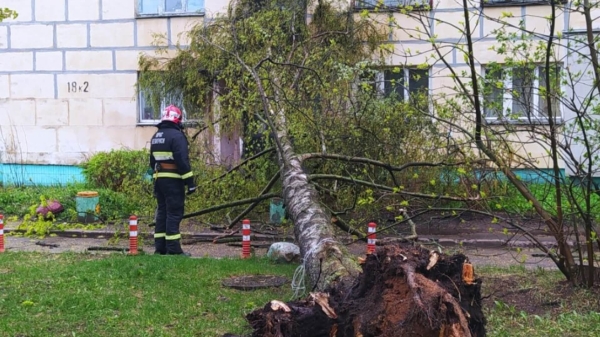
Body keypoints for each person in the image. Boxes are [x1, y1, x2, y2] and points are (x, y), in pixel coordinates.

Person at [150, 105, 196, 256]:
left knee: (162, 212)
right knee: (174, 213)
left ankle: (160, 248)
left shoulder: (156, 136)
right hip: (173, 181)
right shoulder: (177, 136)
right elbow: (182, 161)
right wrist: (190, 183)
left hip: (159, 180)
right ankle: (174, 249)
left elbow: (152, 162)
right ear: (177, 119)